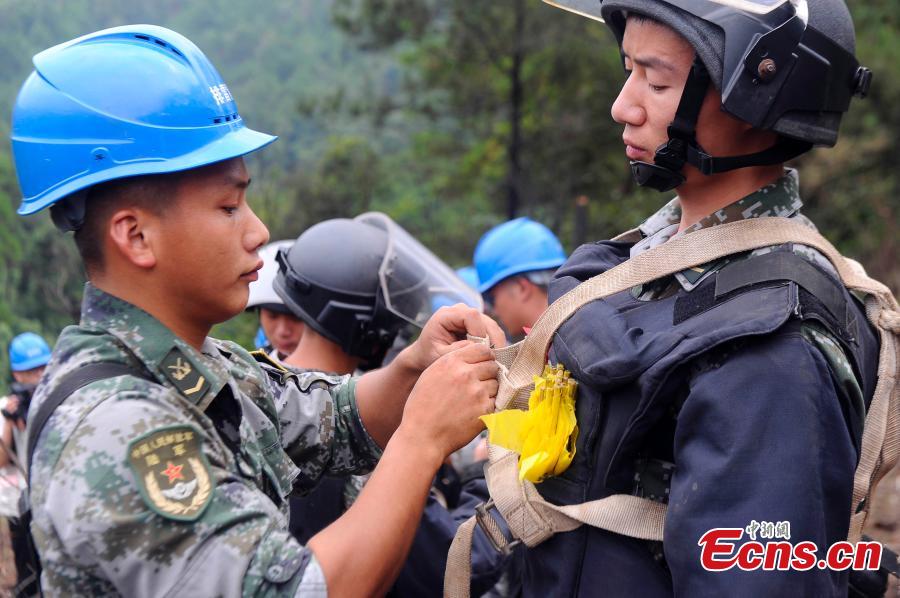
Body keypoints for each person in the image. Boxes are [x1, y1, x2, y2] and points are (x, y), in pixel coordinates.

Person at [11, 25, 504, 596]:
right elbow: (305, 590)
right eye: (227, 206)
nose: (258, 231)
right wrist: (421, 441)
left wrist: (418, 366)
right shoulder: (117, 427)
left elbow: (339, 418)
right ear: (136, 236)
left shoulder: (203, 367)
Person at [485, 0, 881, 595]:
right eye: (629, 70)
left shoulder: (771, 348)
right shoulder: (644, 264)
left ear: (757, 98)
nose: (624, 105)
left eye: (658, 79)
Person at [274, 214, 510, 596]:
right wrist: (496, 473)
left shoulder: (262, 395)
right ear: (373, 328)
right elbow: (456, 564)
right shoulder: (363, 449)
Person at [474, 217, 566, 337]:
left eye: (492, 298)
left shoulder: (562, 348)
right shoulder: (578, 329)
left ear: (522, 288)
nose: (495, 310)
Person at [246, 240, 305, 360]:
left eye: (296, 318)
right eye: (272, 316)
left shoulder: (349, 376)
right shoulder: (252, 370)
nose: (283, 331)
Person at [1, 332, 51, 469]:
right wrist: (8, 422)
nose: (41, 375)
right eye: (32, 371)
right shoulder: (7, 407)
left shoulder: (62, 397)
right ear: (17, 375)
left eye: (44, 367)